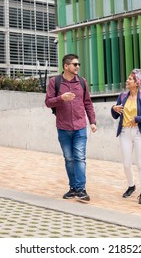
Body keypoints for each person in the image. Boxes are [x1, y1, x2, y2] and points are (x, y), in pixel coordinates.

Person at [45, 54, 97, 201]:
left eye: (78, 64)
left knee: (79, 157)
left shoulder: (82, 82)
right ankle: (73, 188)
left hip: (80, 126)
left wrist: (92, 121)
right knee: (69, 159)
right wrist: (61, 98)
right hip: (63, 127)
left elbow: (88, 103)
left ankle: (81, 190)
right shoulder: (54, 82)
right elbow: (48, 102)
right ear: (66, 66)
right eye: (75, 64)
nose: (78, 67)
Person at [111, 69, 141, 204]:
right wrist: (114, 108)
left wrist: (137, 119)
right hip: (125, 132)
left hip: (139, 133)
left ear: (137, 83)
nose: (127, 81)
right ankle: (131, 185)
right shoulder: (122, 96)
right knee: (127, 164)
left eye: (130, 79)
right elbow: (116, 115)